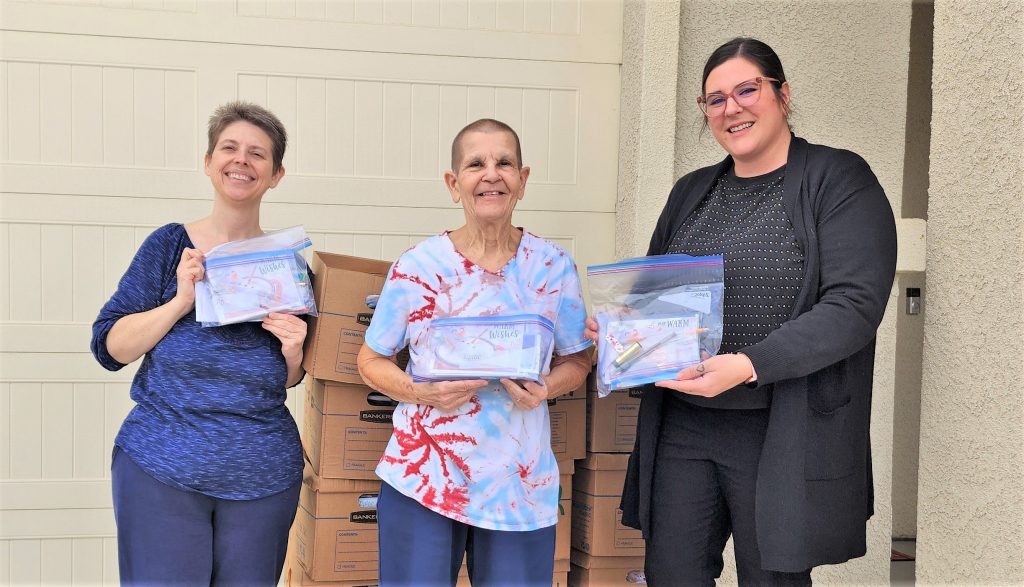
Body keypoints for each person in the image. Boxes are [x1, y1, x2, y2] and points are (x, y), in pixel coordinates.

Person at [586, 38, 897, 585]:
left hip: (779, 426)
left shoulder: (838, 179)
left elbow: (853, 306)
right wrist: (622, 334)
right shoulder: (691, 192)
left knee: (771, 577)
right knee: (672, 573)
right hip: (685, 426)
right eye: (715, 99)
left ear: (782, 95)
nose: (732, 108)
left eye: (747, 90)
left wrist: (749, 364)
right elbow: (658, 302)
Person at [357, 119, 592, 586]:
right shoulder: (418, 267)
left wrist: (546, 388)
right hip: (424, 475)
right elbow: (370, 361)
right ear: (453, 183)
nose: (491, 174)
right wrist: (421, 392)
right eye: (475, 164)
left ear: (523, 180)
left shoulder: (553, 266)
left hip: (518, 483)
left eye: (504, 162)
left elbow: (578, 360)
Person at [90, 102, 308, 585]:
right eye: (229, 148)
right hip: (161, 466)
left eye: (257, 154)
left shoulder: (289, 269)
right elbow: (109, 347)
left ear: (276, 174)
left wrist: (294, 353)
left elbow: (289, 378)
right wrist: (180, 301)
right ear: (209, 162)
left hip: (263, 477)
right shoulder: (169, 247)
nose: (241, 161)